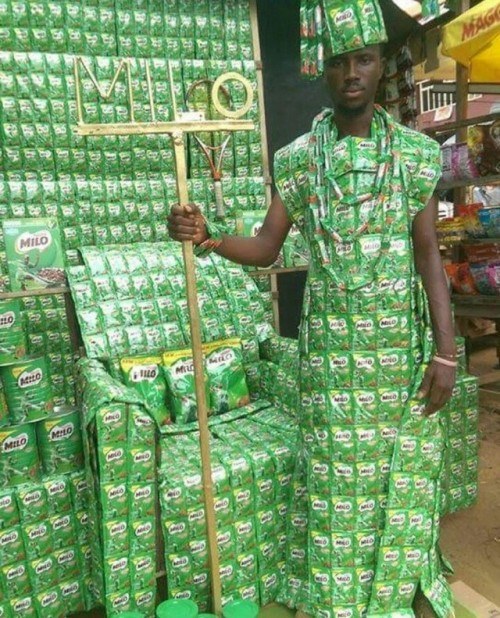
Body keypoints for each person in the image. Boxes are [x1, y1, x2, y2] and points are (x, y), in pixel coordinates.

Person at [168, 3, 457, 616]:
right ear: (322, 70)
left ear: (381, 65)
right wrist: (209, 237)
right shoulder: (299, 159)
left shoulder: (413, 154)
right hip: (328, 353)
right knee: (334, 474)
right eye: (338, 62)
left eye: (363, 60)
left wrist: (447, 351)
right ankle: (335, 595)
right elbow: (267, 246)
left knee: (397, 468)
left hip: (398, 350)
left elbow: (428, 252)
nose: (351, 73)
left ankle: (394, 585)